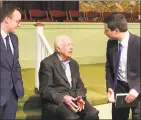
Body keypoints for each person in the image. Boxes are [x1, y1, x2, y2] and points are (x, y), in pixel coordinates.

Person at [39, 35, 99, 120]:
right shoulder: (47, 63)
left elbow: (80, 85)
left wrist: (80, 97)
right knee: (71, 118)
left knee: (93, 114)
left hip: (74, 98)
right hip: (57, 101)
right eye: (68, 45)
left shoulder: (74, 63)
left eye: (72, 45)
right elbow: (45, 90)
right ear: (58, 48)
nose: (71, 47)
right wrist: (63, 97)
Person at [104, 12, 140, 120]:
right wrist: (110, 87)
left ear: (116, 31)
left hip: (138, 90)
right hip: (119, 88)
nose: (104, 32)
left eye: (106, 30)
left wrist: (137, 89)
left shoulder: (139, 44)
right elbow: (109, 67)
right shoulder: (111, 44)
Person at [0, 4, 24, 119]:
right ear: (6, 20)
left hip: (12, 94)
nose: (19, 24)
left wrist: (19, 83)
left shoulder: (14, 38)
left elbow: (16, 64)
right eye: (17, 21)